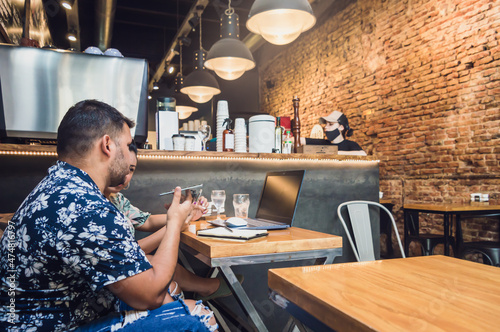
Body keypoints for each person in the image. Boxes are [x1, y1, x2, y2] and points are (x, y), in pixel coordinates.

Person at [0, 100, 217, 331]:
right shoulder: (87, 206)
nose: (129, 156)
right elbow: (150, 294)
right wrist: (174, 221)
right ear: (107, 145)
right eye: (127, 144)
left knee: (174, 298)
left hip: (36, 317)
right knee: (199, 316)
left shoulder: (60, 185)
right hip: (51, 326)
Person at [104, 143, 243, 301]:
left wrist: (186, 213)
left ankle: (204, 287)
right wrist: (174, 225)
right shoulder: (94, 204)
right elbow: (126, 253)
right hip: (114, 283)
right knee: (154, 261)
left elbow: (146, 220)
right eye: (122, 167)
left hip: (126, 271)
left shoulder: (116, 198)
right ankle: (204, 289)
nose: (125, 176)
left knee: (153, 260)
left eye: (131, 169)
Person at [301, 110, 366, 156]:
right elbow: (298, 140)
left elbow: (363, 154)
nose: (326, 127)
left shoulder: (350, 145)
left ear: (341, 127)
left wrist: (335, 153)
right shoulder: (323, 143)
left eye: (331, 124)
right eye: (326, 124)